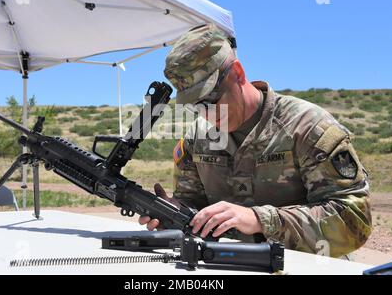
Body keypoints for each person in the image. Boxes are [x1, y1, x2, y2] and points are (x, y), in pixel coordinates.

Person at [139, 23, 372, 258]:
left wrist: (261, 220)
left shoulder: (307, 127)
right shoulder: (197, 138)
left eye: (210, 100)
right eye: (194, 106)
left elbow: (354, 220)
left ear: (238, 73)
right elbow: (194, 204)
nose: (205, 114)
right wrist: (176, 212)